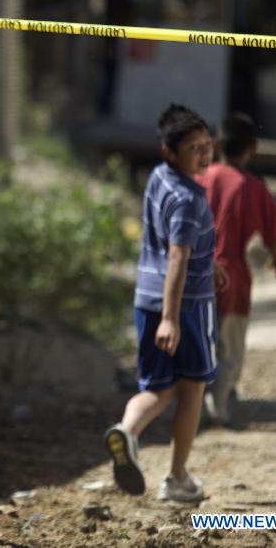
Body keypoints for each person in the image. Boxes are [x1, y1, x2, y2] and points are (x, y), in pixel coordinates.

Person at [104, 104, 227, 503]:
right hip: (186, 307)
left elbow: (176, 248)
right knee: (192, 387)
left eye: (206, 145)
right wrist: (172, 319)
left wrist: (209, 264)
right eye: (193, 148)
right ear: (169, 151)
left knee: (157, 388)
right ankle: (177, 478)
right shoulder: (189, 199)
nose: (204, 154)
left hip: (147, 300)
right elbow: (178, 255)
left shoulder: (159, 178)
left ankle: (127, 431)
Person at [196, 113, 276, 425]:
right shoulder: (255, 187)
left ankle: (190, 401)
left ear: (216, 145)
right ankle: (218, 404)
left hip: (195, 274)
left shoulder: (200, 179)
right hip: (234, 276)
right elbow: (273, 234)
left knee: (199, 337)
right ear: (253, 148)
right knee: (230, 343)